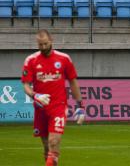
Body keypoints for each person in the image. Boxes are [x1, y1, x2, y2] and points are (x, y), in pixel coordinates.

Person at [21, 29, 85, 166]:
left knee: (53, 141)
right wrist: (35, 95)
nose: (43, 47)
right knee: (47, 148)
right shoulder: (31, 60)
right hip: (40, 108)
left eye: (45, 44)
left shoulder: (64, 58)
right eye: (40, 45)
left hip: (58, 106)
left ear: (51, 40)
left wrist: (80, 106)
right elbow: (25, 85)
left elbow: (73, 81)